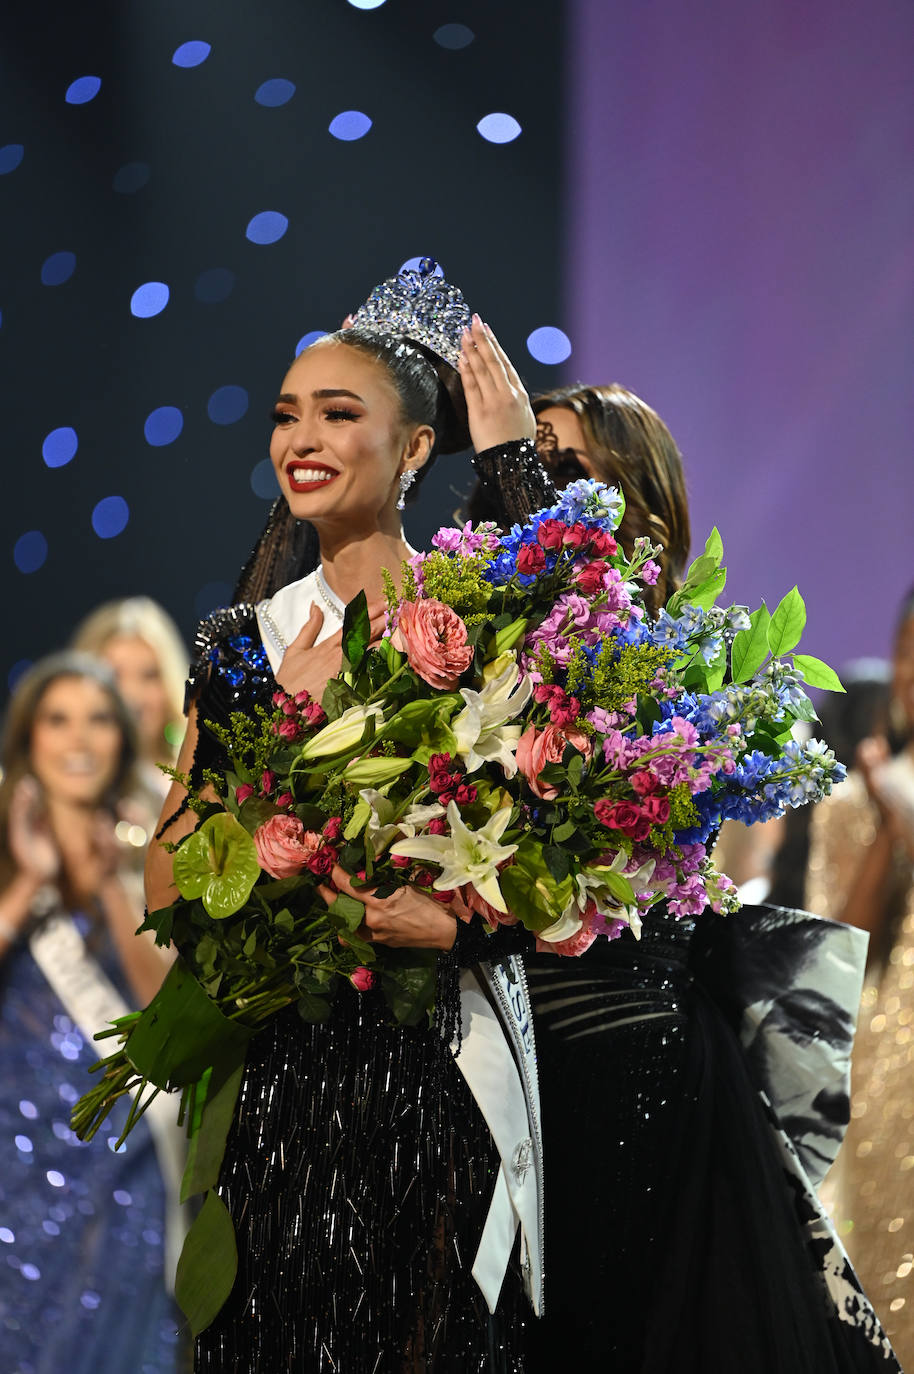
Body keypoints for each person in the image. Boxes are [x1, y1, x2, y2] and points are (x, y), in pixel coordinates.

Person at [145, 263, 542, 1373]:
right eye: (285, 415)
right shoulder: (240, 644)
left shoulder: (481, 626)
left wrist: (462, 928)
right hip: (283, 1085)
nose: (300, 438)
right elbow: (166, 890)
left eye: (337, 412)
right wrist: (274, 780)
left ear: (415, 448)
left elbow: (575, 856)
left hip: (436, 1078)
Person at [469, 378, 901, 1370]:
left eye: (561, 470)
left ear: (644, 520)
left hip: (627, 1077)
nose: (527, 490)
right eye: (518, 467)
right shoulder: (479, 654)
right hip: (495, 1074)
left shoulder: (675, 670)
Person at [0, 653, 181, 1374]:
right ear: (29, 738)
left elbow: (162, 1014)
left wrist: (112, 884)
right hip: (14, 1155)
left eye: (99, 719)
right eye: (58, 719)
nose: (78, 739)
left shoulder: (151, 855)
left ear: (122, 740)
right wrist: (32, 881)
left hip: (124, 1160)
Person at [806, 590, 914, 1363]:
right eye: (908, 650)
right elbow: (841, 946)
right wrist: (890, 823)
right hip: (886, 1086)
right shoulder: (852, 802)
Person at [71, 596, 188, 796]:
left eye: (150, 676)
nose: (133, 696)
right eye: (113, 675)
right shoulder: (58, 786)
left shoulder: (195, 788)